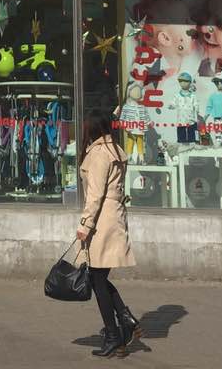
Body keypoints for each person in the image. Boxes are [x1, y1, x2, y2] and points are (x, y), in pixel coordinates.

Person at [77, 111, 140, 357]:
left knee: (97, 278)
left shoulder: (99, 153)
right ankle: (124, 322)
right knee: (98, 278)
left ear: (92, 128)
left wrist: (85, 225)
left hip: (102, 220)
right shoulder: (116, 149)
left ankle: (115, 333)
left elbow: (95, 194)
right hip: (114, 217)